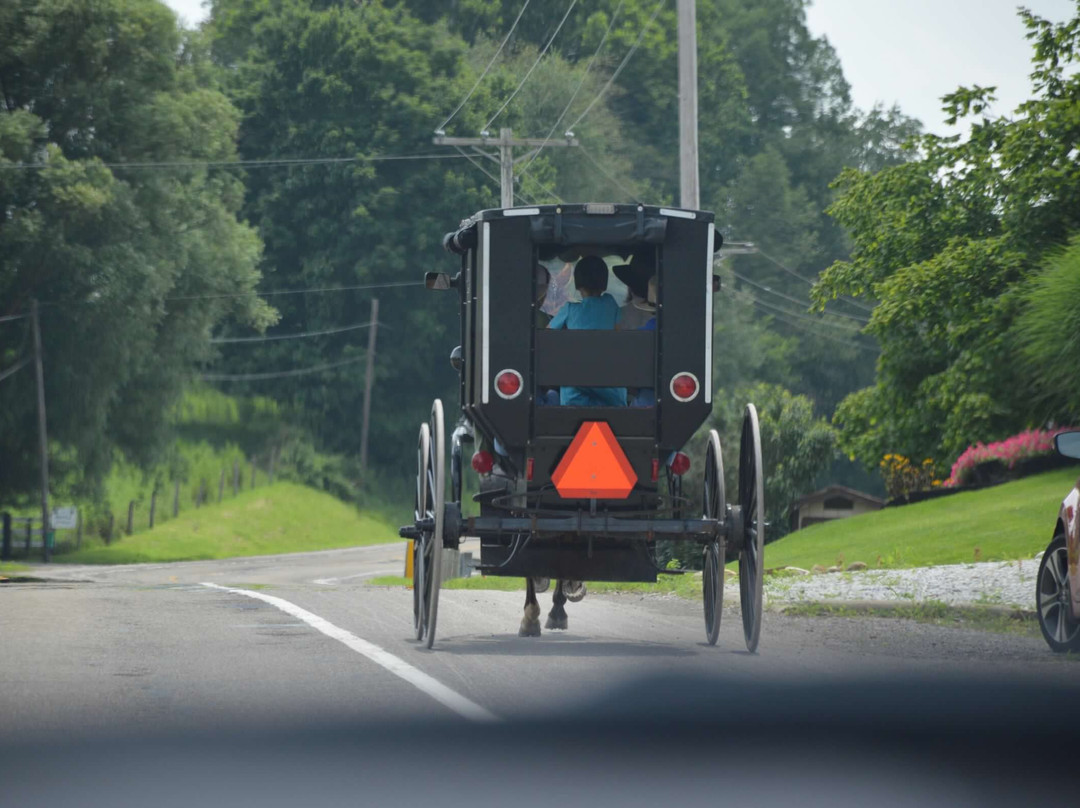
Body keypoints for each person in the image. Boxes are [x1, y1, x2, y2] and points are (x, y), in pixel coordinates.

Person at [548, 255, 626, 408]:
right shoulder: (611, 304)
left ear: (577, 285)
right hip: (610, 388)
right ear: (604, 284)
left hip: (575, 387)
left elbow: (547, 337)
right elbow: (619, 335)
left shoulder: (570, 309)